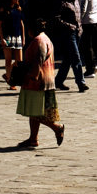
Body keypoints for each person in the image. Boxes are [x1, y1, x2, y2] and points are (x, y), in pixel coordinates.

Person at [17, 16, 65, 148]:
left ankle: (57, 128)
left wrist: (30, 76)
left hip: (38, 81)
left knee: (36, 112)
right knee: (35, 111)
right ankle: (33, 139)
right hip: (45, 79)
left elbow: (38, 60)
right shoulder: (45, 38)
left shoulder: (39, 40)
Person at [54, 0, 88, 92]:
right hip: (68, 33)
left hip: (78, 32)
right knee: (76, 57)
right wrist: (68, 26)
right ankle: (81, 83)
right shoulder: (62, 1)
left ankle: (58, 81)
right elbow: (56, 18)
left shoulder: (76, 0)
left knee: (68, 59)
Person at [0, 0, 26, 90]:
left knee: (19, 61)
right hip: (7, 37)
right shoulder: (3, 10)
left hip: (17, 36)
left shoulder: (18, 9)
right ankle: (10, 80)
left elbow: (21, 24)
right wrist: (2, 38)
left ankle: (7, 74)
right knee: (8, 60)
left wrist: (23, 37)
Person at [79, 0, 97, 78]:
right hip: (95, 20)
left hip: (87, 22)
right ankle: (93, 64)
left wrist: (78, 21)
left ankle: (89, 69)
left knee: (86, 46)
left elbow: (83, 9)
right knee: (89, 45)